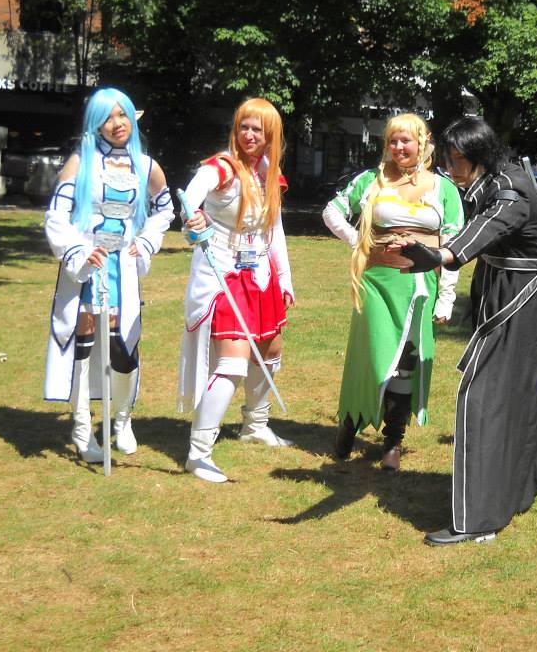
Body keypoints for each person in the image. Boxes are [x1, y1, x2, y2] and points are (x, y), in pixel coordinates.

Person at [394, 116, 537, 546]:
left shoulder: (510, 189)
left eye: (457, 159)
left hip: (522, 296)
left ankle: (480, 517)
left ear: (481, 156)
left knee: (483, 393)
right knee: (520, 381)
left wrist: (444, 255)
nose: (450, 167)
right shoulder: (489, 179)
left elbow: (493, 223)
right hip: (500, 285)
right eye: (448, 158)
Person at [322, 113, 463, 471]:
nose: (399, 147)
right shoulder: (371, 180)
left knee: (407, 361)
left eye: (406, 140)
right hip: (377, 282)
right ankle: (350, 421)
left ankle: (393, 440)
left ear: (423, 143)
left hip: (421, 285)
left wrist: (447, 295)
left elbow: (454, 243)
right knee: (371, 355)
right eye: (393, 140)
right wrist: (359, 242)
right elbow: (332, 212)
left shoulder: (443, 188)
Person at [44, 88, 174, 462]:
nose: (117, 124)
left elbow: (165, 210)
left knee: (123, 347)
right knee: (83, 347)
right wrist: (79, 251)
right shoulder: (80, 163)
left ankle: (122, 419)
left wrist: (145, 242)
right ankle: (82, 429)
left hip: (123, 271)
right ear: (95, 124)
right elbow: (56, 216)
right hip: (88, 270)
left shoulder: (145, 165)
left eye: (122, 115)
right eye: (107, 117)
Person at [177, 98, 295, 483]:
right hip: (224, 275)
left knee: (270, 349)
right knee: (232, 362)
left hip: (260, 274)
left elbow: (274, 229)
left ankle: (254, 425)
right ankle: (199, 453)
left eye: (258, 129)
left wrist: (285, 278)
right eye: (244, 126)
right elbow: (189, 199)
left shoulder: (268, 172)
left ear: (270, 135)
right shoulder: (221, 167)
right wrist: (193, 220)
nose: (249, 134)